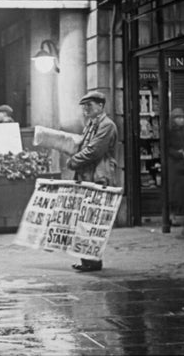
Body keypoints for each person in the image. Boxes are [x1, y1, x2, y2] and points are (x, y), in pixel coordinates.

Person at [67, 90, 118, 272]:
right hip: (87, 176)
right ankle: (87, 260)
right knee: (84, 221)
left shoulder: (107, 125)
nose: (85, 109)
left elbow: (95, 150)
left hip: (99, 178)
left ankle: (93, 261)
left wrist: (74, 161)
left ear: (101, 106)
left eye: (89, 105)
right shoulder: (91, 124)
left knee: (93, 221)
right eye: (84, 106)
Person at [167, 108, 184, 225]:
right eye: (178, 118)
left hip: (180, 164)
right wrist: (179, 153)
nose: (181, 120)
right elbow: (167, 147)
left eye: (182, 117)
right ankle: (171, 216)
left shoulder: (182, 131)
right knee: (173, 191)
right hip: (173, 164)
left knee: (179, 191)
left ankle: (174, 215)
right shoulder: (171, 131)